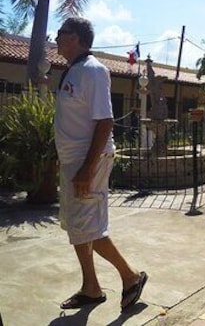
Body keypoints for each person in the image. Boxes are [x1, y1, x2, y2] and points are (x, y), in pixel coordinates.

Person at [54, 17, 147, 312]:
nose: (56, 37)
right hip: (73, 160)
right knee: (76, 226)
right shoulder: (73, 71)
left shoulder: (93, 71)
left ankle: (131, 277)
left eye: (62, 33)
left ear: (78, 38)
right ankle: (91, 287)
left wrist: (86, 168)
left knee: (90, 228)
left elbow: (105, 122)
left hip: (88, 160)